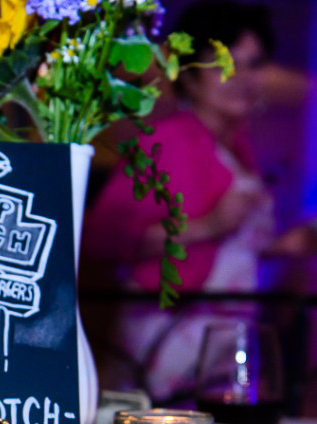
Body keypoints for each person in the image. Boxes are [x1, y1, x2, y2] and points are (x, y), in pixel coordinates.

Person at [81, 1, 276, 402]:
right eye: (222, 63)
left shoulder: (239, 147)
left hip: (228, 330)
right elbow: (101, 241)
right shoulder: (164, 141)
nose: (239, 77)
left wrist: (280, 247)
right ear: (188, 76)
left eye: (252, 63)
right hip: (169, 330)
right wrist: (210, 225)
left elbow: (232, 248)